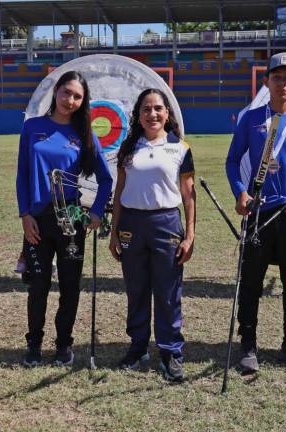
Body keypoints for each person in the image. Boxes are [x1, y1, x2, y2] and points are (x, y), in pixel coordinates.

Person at [225, 52, 286, 373]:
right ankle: (248, 346)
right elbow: (232, 161)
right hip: (259, 212)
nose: (283, 84)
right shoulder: (251, 119)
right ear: (267, 82)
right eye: (277, 77)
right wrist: (240, 193)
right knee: (251, 282)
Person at [17, 70, 113, 367]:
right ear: (55, 91)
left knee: (70, 285)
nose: (69, 100)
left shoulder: (84, 135)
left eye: (77, 96)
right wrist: (24, 215)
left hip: (70, 221)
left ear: (83, 102)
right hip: (37, 220)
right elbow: (22, 174)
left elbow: (106, 179)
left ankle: (63, 345)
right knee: (39, 285)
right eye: (66, 92)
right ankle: (34, 345)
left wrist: (96, 212)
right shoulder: (33, 127)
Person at [109, 88, 196, 383]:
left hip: (166, 223)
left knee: (168, 291)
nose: (153, 114)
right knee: (136, 289)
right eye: (146, 109)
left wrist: (190, 236)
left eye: (158, 108)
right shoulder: (128, 147)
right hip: (132, 223)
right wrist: (114, 231)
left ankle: (170, 351)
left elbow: (189, 196)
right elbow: (119, 190)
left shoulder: (180, 148)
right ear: (139, 115)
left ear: (167, 113)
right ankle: (137, 347)